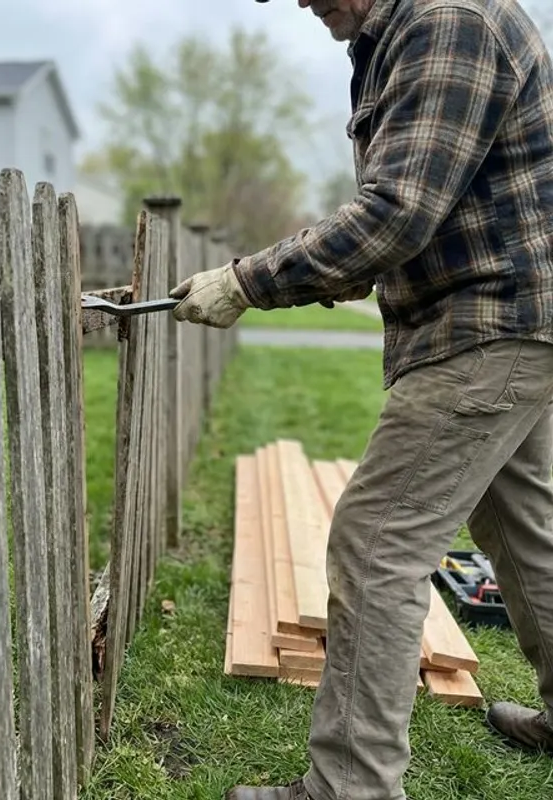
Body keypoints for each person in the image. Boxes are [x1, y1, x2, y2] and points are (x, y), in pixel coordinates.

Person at [168, 0, 553, 798]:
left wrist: (247, 281)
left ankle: (349, 789)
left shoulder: (447, 20)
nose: (302, 2)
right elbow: (410, 215)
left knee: (377, 547)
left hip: (486, 327)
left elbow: (396, 213)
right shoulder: (405, 33)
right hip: (511, 325)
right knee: (523, 534)